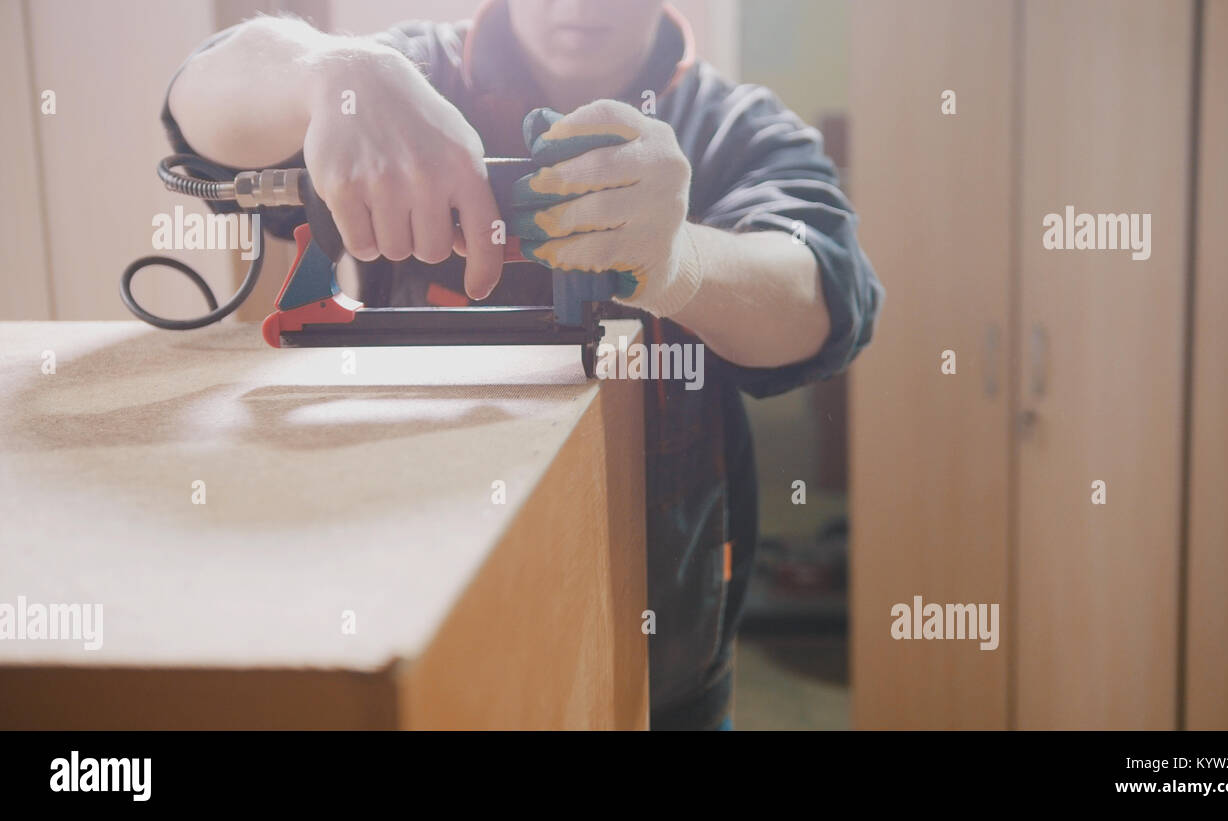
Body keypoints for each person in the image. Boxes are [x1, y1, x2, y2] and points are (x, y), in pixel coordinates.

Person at [164, 0, 882, 730]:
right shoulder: (410, 74)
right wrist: (330, 74)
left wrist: (683, 262)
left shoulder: (736, 126)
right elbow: (194, 110)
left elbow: (824, 294)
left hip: (667, 678)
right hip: (430, 651)